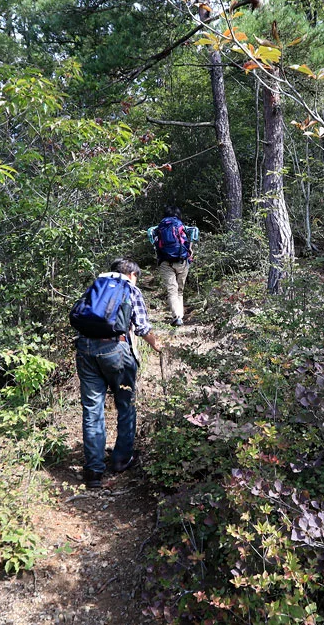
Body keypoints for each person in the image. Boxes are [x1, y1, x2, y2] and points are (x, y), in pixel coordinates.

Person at [71, 259, 162, 489]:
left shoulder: (97, 285)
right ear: (131, 274)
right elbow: (141, 327)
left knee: (92, 410)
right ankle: (121, 459)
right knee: (126, 404)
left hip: (85, 349)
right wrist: (156, 345)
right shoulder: (130, 288)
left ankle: (93, 471)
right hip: (115, 351)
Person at [155, 205, 192, 326]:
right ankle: (179, 316)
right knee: (180, 290)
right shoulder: (181, 225)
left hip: (165, 262)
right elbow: (188, 243)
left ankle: (177, 316)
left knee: (172, 290)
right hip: (181, 261)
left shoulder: (160, 227)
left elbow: (155, 245)